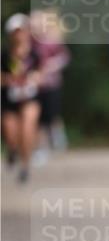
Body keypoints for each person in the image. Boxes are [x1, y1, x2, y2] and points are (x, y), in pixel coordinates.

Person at [1, 14, 43, 183]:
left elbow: (42, 74)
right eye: (17, 31)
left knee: (27, 128)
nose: (20, 35)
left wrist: (35, 78)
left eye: (23, 31)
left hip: (30, 97)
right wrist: (9, 80)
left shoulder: (34, 54)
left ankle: (25, 166)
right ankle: (11, 150)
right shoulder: (4, 55)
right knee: (11, 134)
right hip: (9, 98)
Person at [31, 8, 71, 156]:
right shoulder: (31, 42)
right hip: (36, 86)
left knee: (52, 115)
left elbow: (64, 58)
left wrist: (50, 67)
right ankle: (41, 148)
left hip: (52, 85)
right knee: (38, 119)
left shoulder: (52, 41)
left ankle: (58, 139)